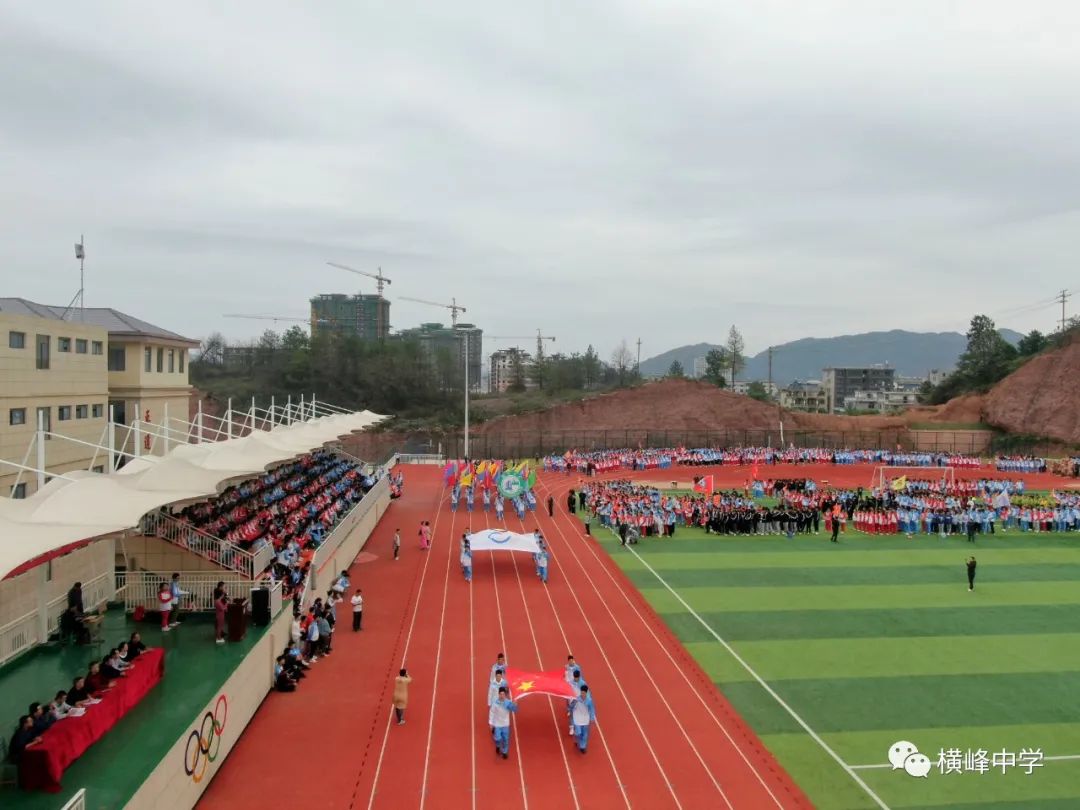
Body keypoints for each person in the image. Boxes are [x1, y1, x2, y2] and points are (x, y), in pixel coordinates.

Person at [490, 686, 519, 759]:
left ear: (505, 695)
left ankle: (504, 752)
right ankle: (498, 745)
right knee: (498, 738)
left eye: (503, 694)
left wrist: (515, 705)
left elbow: (514, 710)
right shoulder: (495, 703)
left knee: (506, 739)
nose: (502, 696)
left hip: (505, 724)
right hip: (497, 724)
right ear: (498, 694)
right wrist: (491, 723)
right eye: (501, 694)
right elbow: (492, 712)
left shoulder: (508, 703)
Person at [569, 684, 596, 754]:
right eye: (582, 692)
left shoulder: (589, 701)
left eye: (584, 693)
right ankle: (576, 739)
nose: (582, 694)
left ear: (586, 693)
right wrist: (570, 711)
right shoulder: (576, 699)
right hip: (577, 718)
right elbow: (571, 706)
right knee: (578, 733)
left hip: (585, 719)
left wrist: (592, 718)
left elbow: (592, 709)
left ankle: (582, 747)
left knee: (584, 734)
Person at [488, 668, 510, 738]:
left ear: (501, 676)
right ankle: (494, 727)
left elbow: (507, 691)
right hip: (494, 702)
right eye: (497, 676)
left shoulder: (504, 683)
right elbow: (490, 693)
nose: (498, 677)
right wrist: (489, 703)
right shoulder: (492, 683)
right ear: (495, 676)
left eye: (499, 676)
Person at [567, 668, 587, 735]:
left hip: (580, 701)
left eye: (577, 677)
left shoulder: (583, 683)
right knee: (572, 715)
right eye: (575, 677)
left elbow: (586, 693)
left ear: (579, 676)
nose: (575, 679)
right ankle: (571, 728)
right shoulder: (570, 682)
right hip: (572, 700)